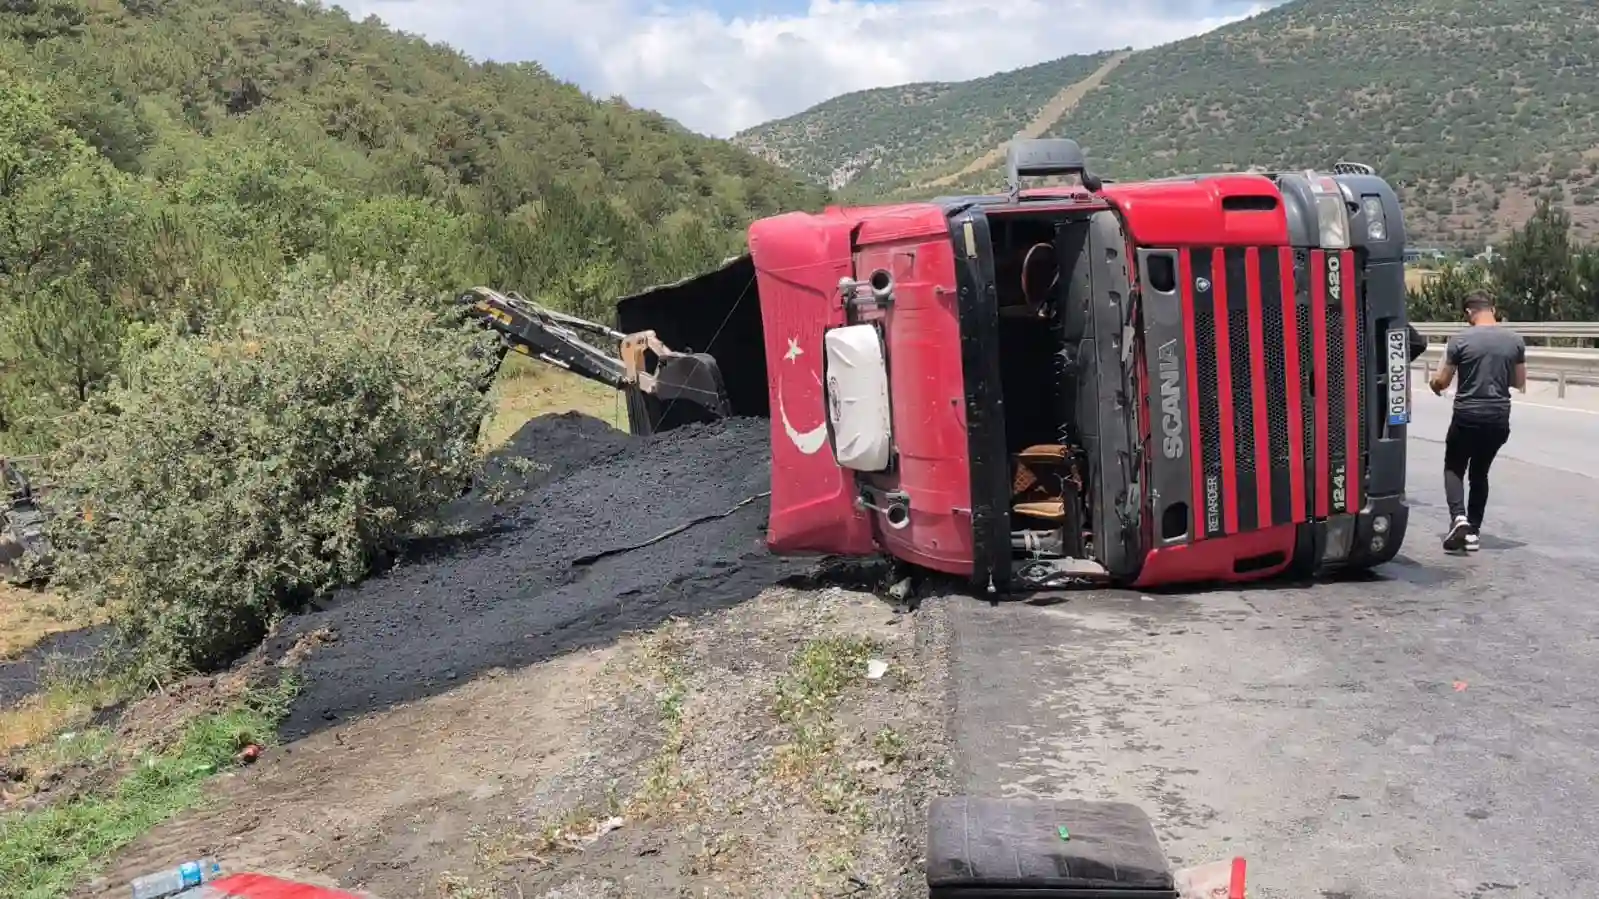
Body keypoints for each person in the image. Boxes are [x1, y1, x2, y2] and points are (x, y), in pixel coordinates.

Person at [1428, 291, 1526, 553]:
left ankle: (1458, 519)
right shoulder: (1515, 341)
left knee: (1454, 467)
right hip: (1498, 418)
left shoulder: (1459, 340)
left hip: (1467, 416)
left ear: (1469, 313)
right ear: (1492, 309)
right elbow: (1518, 382)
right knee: (1480, 472)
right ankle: (1473, 531)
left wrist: (1434, 385)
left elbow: (1443, 381)